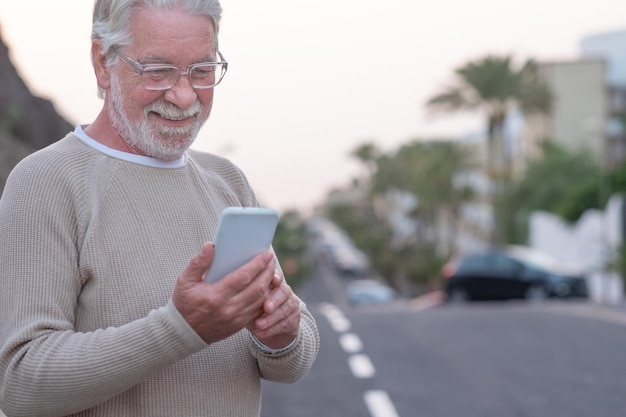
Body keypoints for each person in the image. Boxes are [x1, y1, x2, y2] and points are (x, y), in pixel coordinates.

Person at [0, 0, 320, 416]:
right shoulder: (46, 182)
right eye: (158, 71)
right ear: (102, 62)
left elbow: (294, 359)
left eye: (202, 71)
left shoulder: (228, 180)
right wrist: (183, 327)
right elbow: (19, 382)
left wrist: (281, 334)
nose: (184, 95)